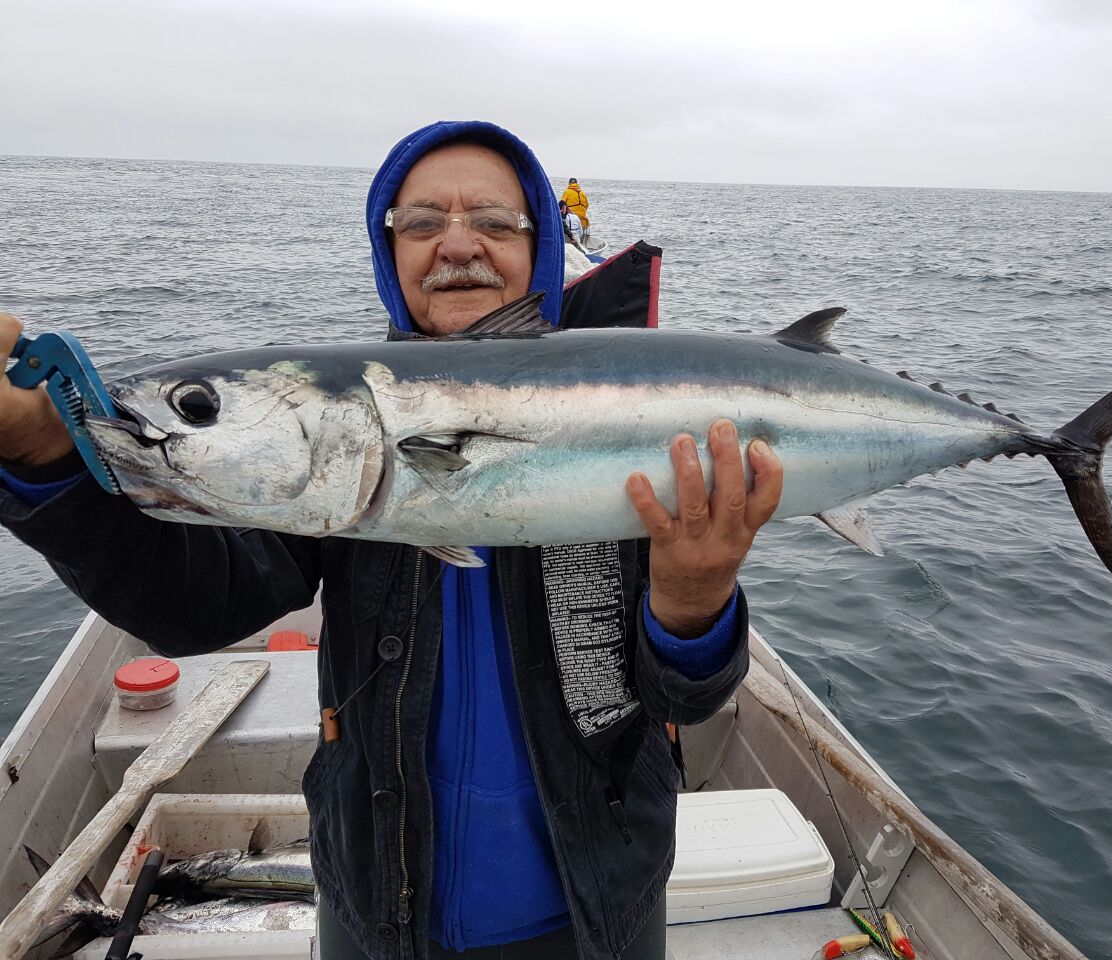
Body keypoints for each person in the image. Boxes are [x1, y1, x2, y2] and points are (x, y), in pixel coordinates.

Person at [0, 121, 783, 960]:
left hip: (601, 902)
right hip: (378, 900)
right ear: (389, 250)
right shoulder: (335, 441)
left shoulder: (633, 428)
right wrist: (48, 465)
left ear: (542, 247)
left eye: (493, 220)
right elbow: (192, 609)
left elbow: (684, 705)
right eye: (420, 223)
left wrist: (694, 606)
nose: (456, 244)